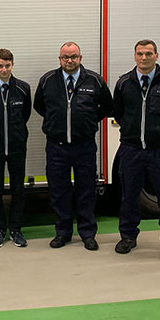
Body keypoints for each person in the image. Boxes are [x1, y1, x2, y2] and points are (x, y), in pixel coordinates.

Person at [112, 39, 160, 262]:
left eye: (148, 53)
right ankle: (128, 237)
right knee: (129, 197)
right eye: (139, 54)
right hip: (131, 150)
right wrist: (130, 130)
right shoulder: (124, 83)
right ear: (134, 56)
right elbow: (118, 111)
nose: (143, 58)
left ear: (157, 55)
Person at [34, 42, 112, 251]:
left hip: (84, 145)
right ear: (59, 59)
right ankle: (63, 232)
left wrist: (85, 122)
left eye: (73, 57)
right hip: (56, 147)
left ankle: (87, 234)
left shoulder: (94, 80)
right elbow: (40, 106)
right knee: (59, 191)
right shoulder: (48, 80)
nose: (69, 61)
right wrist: (56, 123)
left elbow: (106, 106)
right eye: (65, 57)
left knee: (86, 190)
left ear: (80, 57)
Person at [0, 48, 32, 248]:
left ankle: (16, 230)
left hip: (18, 146)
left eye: (7, 65)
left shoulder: (24, 88)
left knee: (18, 190)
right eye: (0, 65)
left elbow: (25, 115)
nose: (4, 69)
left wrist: (16, 133)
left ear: (12, 65)